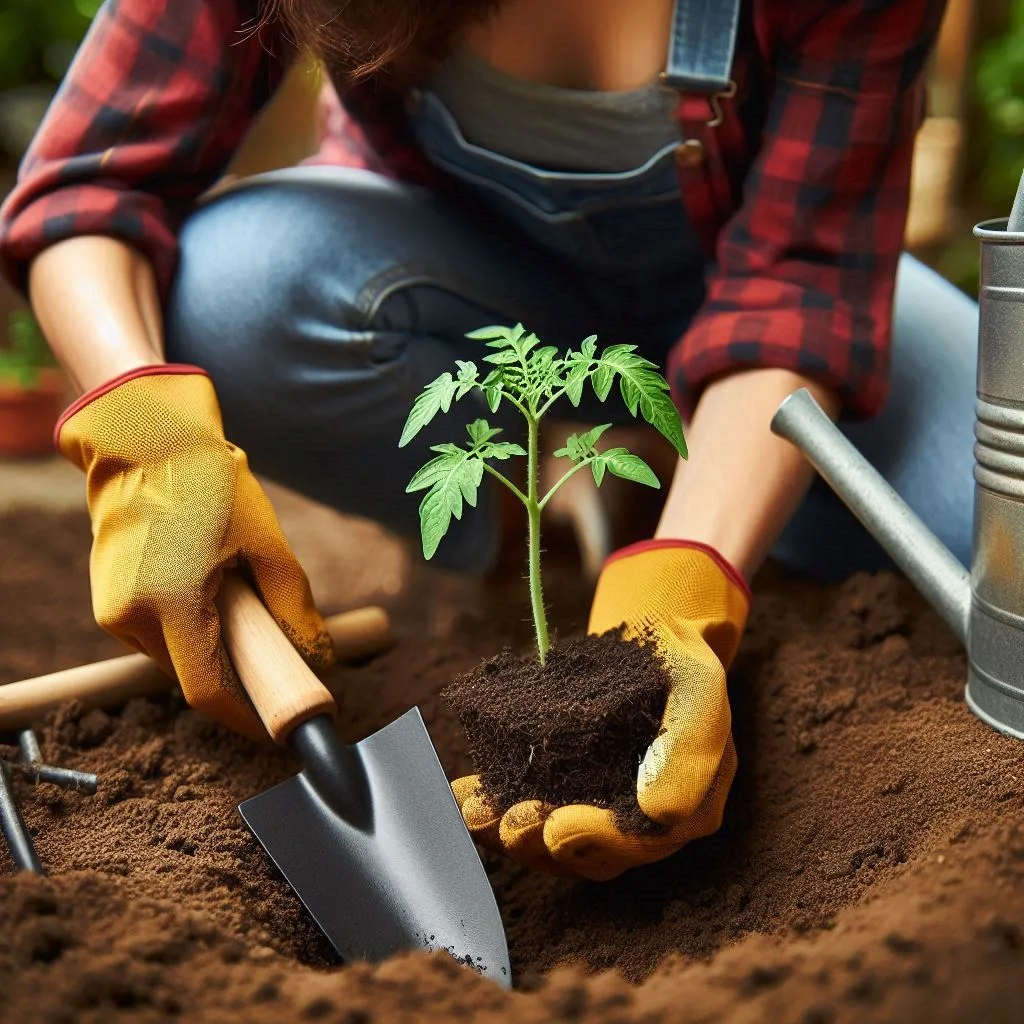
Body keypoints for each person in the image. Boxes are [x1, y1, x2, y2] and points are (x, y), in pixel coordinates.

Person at [0, 0, 974, 880]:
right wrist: (149, 443)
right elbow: (86, 186)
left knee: (987, 526)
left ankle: (680, 494)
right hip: (454, 288)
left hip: (750, 303)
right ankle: (551, 511)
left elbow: (796, 293)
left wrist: (681, 602)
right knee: (235, 290)